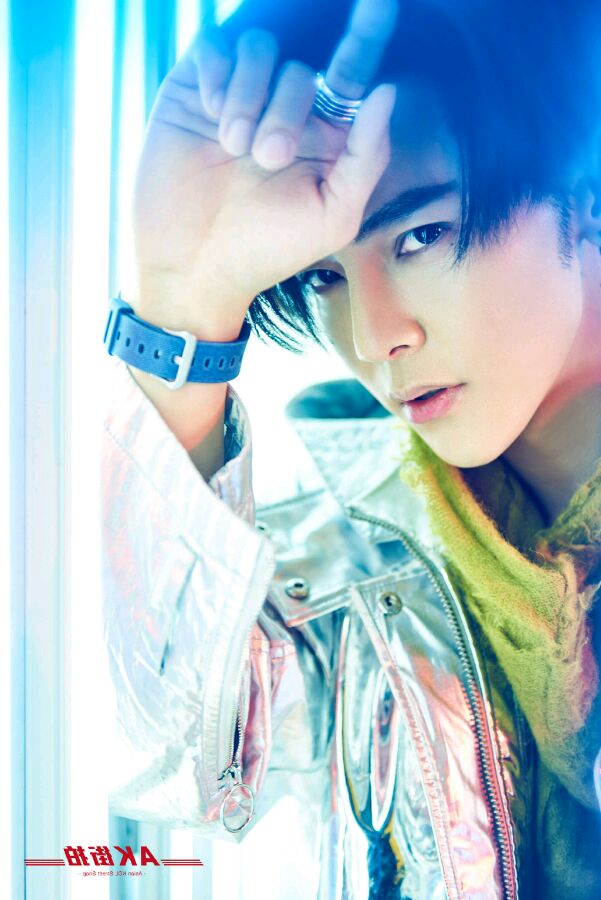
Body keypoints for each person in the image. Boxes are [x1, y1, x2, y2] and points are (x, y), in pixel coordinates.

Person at [101, 0, 601, 896]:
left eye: (420, 236)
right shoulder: (347, 561)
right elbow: (179, 770)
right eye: (323, 276)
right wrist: (181, 297)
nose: (373, 338)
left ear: (584, 192)